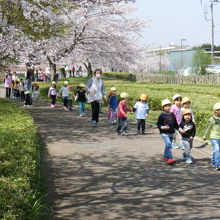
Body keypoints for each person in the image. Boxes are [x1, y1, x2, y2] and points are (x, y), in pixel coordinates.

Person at [157, 99, 178, 164]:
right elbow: (158, 124)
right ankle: (170, 158)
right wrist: (162, 127)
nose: (168, 107)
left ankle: (165, 156)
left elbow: (175, 124)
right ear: (163, 107)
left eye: (169, 105)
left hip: (171, 133)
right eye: (166, 106)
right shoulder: (162, 115)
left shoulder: (172, 114)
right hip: (164, 133)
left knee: (168, 145)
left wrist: (179, 129)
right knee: (168, 144)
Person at [203, 102, 220, 171]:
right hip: (214, 137)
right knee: (217, 149)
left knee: (215, 150)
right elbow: (208, 128)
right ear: (216, 110)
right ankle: (217, 164)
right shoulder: (212, 119)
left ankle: (213, 161)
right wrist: (205, 135)